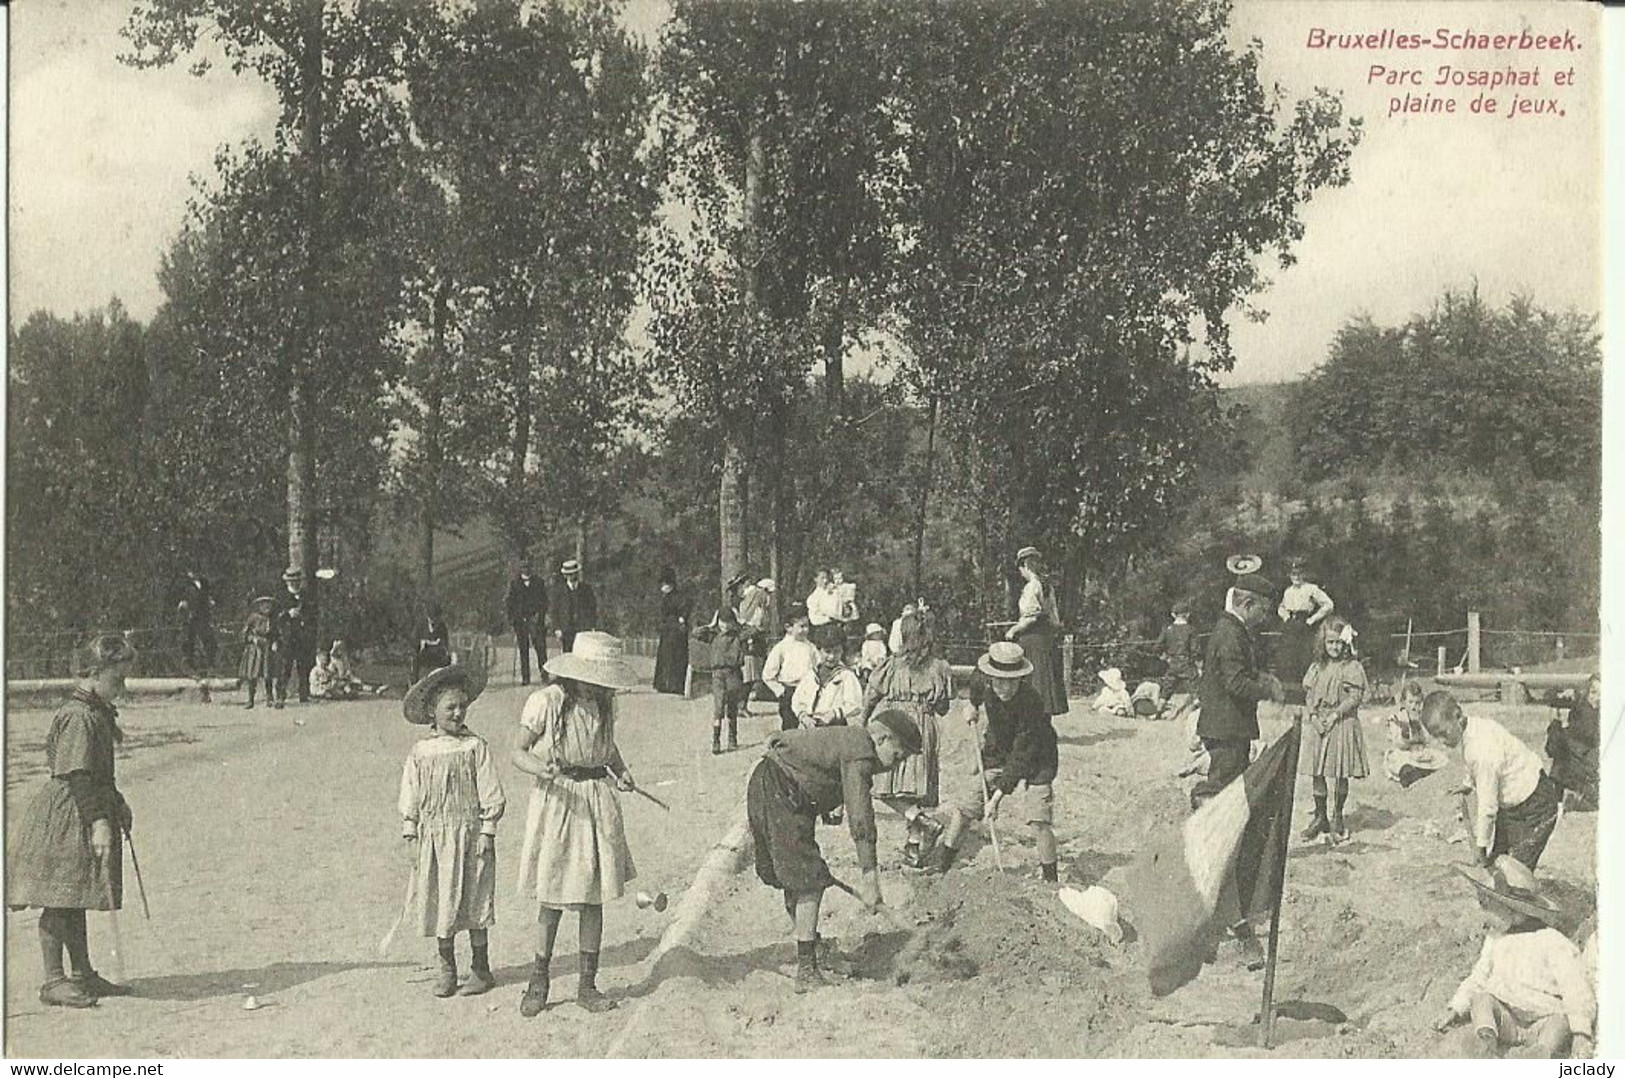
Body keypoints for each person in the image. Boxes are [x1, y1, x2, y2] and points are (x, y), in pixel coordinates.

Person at [6, 634, 140, 1008]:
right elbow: (79, 774)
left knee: (75, 893)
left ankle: (82, 973)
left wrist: (117, 802)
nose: (123, 688)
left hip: (86, 806)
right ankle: (53, 980)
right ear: (94, 674)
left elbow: (99, 774)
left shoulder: (94, 711)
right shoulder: (78, 716)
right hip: (68, 814)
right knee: (57, 897)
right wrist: (99, 821)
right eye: (117, 680)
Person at [511, 632, 640, 1017]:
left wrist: (621, 771)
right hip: (560, 801)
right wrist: (542, 769)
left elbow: (607, 746)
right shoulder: (547, 702)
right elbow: (517, 751)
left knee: (592, 895)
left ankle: (587, 983)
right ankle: (539, 979)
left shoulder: (603, 702)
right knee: (552, 894)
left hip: (597, 800)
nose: (602, 684)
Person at [745, 710, 921, 992]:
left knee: (800, 876)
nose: (895, 765)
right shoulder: (860, 750)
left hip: (776, 788)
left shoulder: (854, 742)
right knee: (809, 881)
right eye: (897, 755)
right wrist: (869, 877)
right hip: (780, 790)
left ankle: (814, 949)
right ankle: (807, 970)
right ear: (882, 737)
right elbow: (861, 816)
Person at [397, 664, 506, 998]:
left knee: (474, 899)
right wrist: (410, 833)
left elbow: (491, 792)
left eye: (463, 706)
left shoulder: (474, 747)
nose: (458, 713)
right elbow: (410, 795)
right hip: (434, 839)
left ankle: (480, 968)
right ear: (432, 710)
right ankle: (447, 968)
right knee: (442, 899)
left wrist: (487, 831)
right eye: (450, 707)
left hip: (470, 836)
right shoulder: (421, 752)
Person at [1193, 567, 1284, 969]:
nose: (1264, 618)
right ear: (1246, 604)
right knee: (1225, 815)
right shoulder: (1229, 634)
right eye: (1262, 611)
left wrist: (1262, 677)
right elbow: (1234, 683)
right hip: (1227, 731)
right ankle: (1225, 920)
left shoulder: (1233, 630)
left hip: (1230, 730)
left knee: (1227, 808)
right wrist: (1267, 687)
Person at [1432, 857, 1594, 1059]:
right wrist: (1456, 1007)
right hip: (1506, 1016)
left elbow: (1575, 987)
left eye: (1487, 906)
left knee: (1560, 1022)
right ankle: (1486, 1041)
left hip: (1542, 1019)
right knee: (1481, 999)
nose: (1483, 914)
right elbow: (1478, 977)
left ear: (1512, 910)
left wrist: (1581, 1032)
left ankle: (1540, 1052)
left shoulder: (1552, 941)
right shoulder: (1496, 938)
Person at [930, 642, 1060, 881]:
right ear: (991, 677)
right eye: (999, 681)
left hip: (1038, 756)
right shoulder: (983, 679)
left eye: (1011, 681)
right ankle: (943, 866)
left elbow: (1021, 756)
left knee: (1038, 818)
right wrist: (971, 706)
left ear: (1021, 678)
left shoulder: (1032, 703)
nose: (1004, 687)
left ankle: (1051, 877)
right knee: (966, 807)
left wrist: (997, 799)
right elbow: (975, 689)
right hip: (998, 749)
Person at [1420, 690, 1560, 870]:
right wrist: (1468, 784)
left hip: (1535, 804)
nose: (1441, 741)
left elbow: (1487, 806)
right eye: (1435, 736)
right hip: (1514, 805)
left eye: (1443, 733)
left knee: (1515, 870)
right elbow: (1471, 762)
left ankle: (1519, 895)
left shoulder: (1482, 751)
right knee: (1496, 863)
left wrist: (1480, 846)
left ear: (1457, 716)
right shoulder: (1472, 728)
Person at [862, 614, 954, 865]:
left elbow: (871, 694)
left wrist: (863, 720)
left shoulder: (892, 665)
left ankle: (920, 820)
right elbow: (944, 707)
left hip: (896, 724)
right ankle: (913, 845)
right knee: (914, 787)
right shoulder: (940, 667)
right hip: (925, 725)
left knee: (883, 786)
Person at [1299, 617, 1370, 844]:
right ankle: (1320, 816)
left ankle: (1337, 814)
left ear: (1346, 643)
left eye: (1339, 643)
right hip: (1319, 722)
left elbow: (1355, 697)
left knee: (1339, 770)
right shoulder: (1317, 667)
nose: (1335, 647)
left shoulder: (1351, 667)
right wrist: (1312, 716)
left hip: (1340, 721)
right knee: (1316, 770)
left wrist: (1334, 715)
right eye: (1330, 643)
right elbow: (1309, 695)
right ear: (1323, 643)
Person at [1007, 547, 1067, 717]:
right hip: (1046, 639)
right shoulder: (1048, 587)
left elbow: (1030, 618)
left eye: (1021, 569)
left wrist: (1013, 630)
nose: (1020, 573)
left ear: (1025, 565)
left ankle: (1032, 723)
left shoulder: (1031, 587)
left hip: (1032, 640)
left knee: (1032, 682)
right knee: (1044, 683)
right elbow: (1055, 620)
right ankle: (1043, 722)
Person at [1276, 559, 1334, 705]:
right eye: (1293, 574)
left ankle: (1306, 696)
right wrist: (1285, 617)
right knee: (1288, 658)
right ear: (1289, 576)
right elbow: (1281, 607)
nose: (1296, 577)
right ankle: (1290, 697)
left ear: (1304, 574)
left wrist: (1312, 619)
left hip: (1304, 625)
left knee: (1304, 658)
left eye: (1299, 574)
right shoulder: (1288, 591)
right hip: (1290, 625)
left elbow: (1328, 605)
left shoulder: (1311, 589)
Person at [1545, 674, 1599, 811]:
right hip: (1577, 762)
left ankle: (1562, 802)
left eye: (1600, 694)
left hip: (1592, 766)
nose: (1596, 698)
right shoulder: (1581, 705)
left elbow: (1589, 734)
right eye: (1593, 692)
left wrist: (1564, 726)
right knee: (1560, 757)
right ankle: (1556, 804)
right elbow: (1550, 697)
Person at [1383, 680, 1448, 787]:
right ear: (1403, 702)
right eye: (1410, 702)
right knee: (1400, 762)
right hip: (1404, 751)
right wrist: (1405, 733)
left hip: (1420, 752)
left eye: (1417, 703)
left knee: (1441, 758)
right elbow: (1398, 743)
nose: (1413, 706)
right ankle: (1410, 774)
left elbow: (1428, 740)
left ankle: (1421, 772)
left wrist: (1421, 727)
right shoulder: (1397, 718)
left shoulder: (1422, 718)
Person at [763, 612, 820, 732]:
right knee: (789, 727)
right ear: (788, 628)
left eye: (807, 626)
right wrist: (780, 690)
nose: (806, 630)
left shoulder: (811, 647)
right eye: (801, 626)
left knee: (811, 724)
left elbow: (818, 665)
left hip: (808, 690)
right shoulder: (781, 648)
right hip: (789, 691)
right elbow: (768, 674)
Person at [790, 642, 864, 728]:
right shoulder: (811, 674)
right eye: (827, 652)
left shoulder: (846, 676)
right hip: (808, 725)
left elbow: (855, 704)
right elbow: (797, 699)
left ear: (842, 651)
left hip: (834, 727)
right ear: (819, 651)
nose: (831, 657)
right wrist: (803, 716)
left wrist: (834, 713)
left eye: (836, 652)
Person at [276, 568, 319, 704]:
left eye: (297, 581)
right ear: (287, 582)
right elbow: (275, 619)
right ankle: (280, 696)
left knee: (304, 666)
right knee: (285, 668)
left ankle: (304, 695)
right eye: (292, 582)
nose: (295, 584)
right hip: (287, 638)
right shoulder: (281, 597)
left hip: (302, 637)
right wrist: (288, 614)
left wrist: (305, 620)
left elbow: (313, 616)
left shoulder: (306, 597)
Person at [708, 607, 747, 754]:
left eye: (728, 622)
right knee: (718, 707)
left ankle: (732, 739)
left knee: (732, 706)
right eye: (722, 622)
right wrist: (711, 624)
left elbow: (755, 630)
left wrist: (740, 622)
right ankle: (716, 740)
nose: (725, 626)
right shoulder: (713, 635)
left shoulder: (738, 636)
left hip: (733, 673)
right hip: (717, 674)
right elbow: (696, 633)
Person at [505, 563, 549, 687]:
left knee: (540, 648)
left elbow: (544, 601)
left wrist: (541, 615)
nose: (526, 569)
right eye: (524, 567)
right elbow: (510, 603)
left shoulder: (539, 582)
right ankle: (526, 677)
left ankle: (544, 674)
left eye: (528, 567)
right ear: (520, 569)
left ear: (532, 568)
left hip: (536, 620)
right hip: (520, 622)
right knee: (523, 650)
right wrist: (512, 619)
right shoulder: (515, 584)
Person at [1156, 601, 1199, 722]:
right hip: (1187, 663)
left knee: (1167, 688)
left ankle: (1157, 713)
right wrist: (1198, 665)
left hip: (1173, 663)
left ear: (1173, 615)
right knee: (1195, 688)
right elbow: (1195, 650)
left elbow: (1157, 647)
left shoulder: (1167, 630)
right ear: (1188, 615)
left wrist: (1165, 658)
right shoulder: (1191, 630)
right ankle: (1196, 711)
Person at [652, 569, 689, 696]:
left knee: (675, 656)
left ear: (670, 584)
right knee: (666, 656)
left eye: (664, 584)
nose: (662, 587)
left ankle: (675, 685)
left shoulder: (679, 596)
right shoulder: (665, 597)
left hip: (676, 630)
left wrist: (682, 619)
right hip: (667, 630)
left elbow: (683, 609)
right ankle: (663, 683)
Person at [238, 595, 278, 710]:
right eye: (264, 604)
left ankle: (269, 699)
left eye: (269, 605)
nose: (267, 607)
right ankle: (250, 700)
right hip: (255, 649)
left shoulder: (273, 619)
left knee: (268, 674)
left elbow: (276, 634)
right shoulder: (253, 618)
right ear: (259, 606)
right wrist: (252, 639)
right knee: (252, 675)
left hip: (267, 648)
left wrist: (275, 642)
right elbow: (244, 633)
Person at [738, 577, 775, 700]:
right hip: (751, 641)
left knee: (754, 674)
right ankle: (741, 705)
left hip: (757, 639)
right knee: (749, 675)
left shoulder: (760, 603)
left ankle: (747, 701)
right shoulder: (756, 601)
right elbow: (753, 622)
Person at [553, 559, 598, 655]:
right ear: (565, 576)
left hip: (583, 629)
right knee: (568, 657)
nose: (571, 576)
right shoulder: (559, 591)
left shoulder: (586, 589)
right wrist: (557, 628)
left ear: (577, 574)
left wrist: (592, 626)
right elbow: (554, 611)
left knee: (582, 656)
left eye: (573, 574)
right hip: (566, 630)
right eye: (568, 574)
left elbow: (592, 608)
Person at [176, 569, 217, 675]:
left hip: (203, 617)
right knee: (190, 641)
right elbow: (182, 599)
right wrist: (184, 605)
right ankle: (191, 666)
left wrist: (209, 603)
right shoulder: (186, 586)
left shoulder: (204, 583)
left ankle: (209, 667)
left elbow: (207, 597)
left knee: (209, 641)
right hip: (191, 618)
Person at [412, 604, 451, 685]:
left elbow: (445, 642)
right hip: (424, 653)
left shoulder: (442, 626)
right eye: (432, 618)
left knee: (447, 660)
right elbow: (414, 640)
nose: (434, 621)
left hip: (437, 653)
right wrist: (423, 642)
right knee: (415, 659)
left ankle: (444, 683)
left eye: (436, 618)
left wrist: (440, 643)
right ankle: (415, 682)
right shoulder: (421, 625)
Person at [806, 570, 842, 654]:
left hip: (836, 628)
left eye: (826, 578)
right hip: (822, 630)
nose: (825, 581)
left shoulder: (834, 593)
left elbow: (839, 610)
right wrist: (828, 618)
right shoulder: (813, 597)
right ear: (815, 579)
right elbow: (814, 619)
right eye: (822, 578)